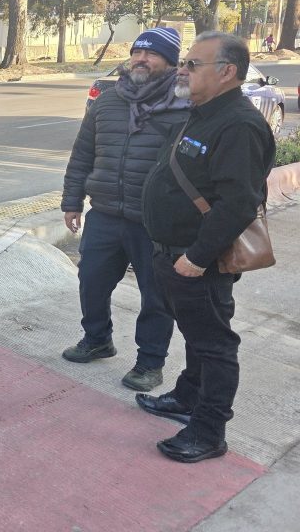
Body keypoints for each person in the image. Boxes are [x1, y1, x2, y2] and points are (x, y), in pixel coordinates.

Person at [137, 31, 275, 463]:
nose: (183, 68)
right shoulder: (204, 113)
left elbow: (239, 203)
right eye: (185, 62)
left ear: (227, 72)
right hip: (174, 253)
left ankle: (209, 430)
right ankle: (186, 395)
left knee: (215, 344)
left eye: (193, 64)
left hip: (199, 260)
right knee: (194, 335)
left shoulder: (239, 124)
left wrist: (196, 258)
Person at [61, 28, 187, 392]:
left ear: (170, 61)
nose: (141, 59)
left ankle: (149, 363)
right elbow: (83, 153)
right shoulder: (109, 100)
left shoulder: (184, 104)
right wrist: (72, 201)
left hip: (154, 223)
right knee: (92, 281)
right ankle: (97, 339)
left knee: (156, 295)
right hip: (104, 213)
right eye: (137, 53)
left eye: (152, 54)